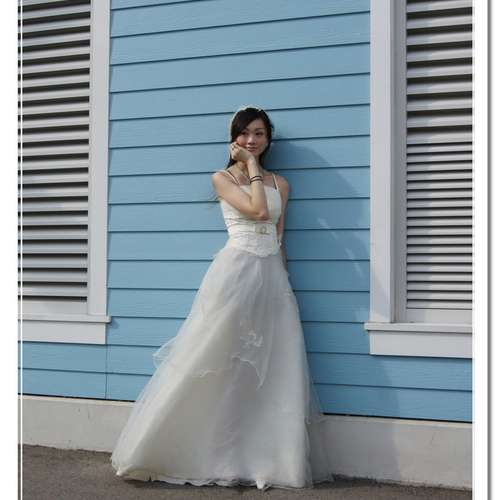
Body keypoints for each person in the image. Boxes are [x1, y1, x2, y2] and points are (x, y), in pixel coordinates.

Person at [110, 106, 336, 491]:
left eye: (260, 133)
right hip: (235, 275)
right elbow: (258, 211)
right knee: (216, 359)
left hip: (271, 281)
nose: (252, 140)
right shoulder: (222, 178)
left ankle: (264, 459)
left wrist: (284, 283)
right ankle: (181, 450)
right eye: (245, 133)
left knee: (272, 368)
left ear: (269, 138)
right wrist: (251, 166)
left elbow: (279, 238)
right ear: (234, 138)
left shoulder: (282, 184)